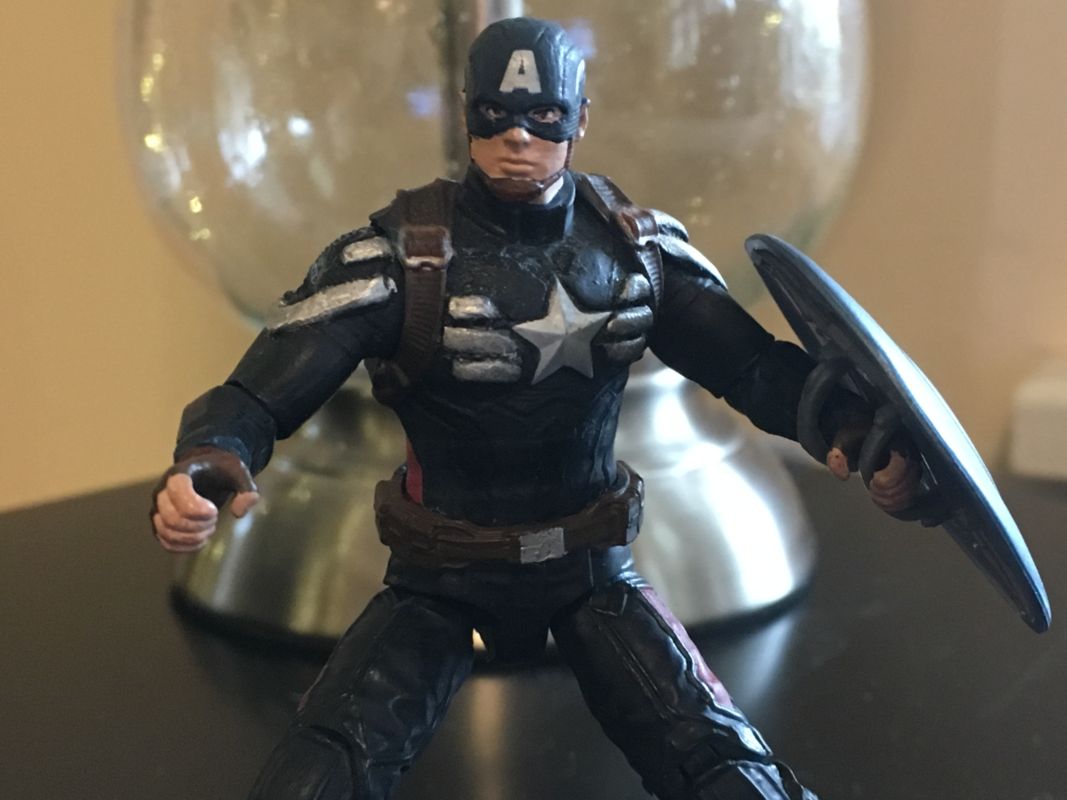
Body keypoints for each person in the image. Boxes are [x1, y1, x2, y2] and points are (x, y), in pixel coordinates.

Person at [151, 17, 913, 800]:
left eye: (543, 115)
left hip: (590, 569)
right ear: (465, 114)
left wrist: (859, 434)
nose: (518, 137)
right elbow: (264, 388)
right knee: (325, 767)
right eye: (496, 115)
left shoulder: (635, 252)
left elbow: (751, 368)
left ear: (579, 118)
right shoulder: (400, 258)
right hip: (438, 576)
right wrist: (211, 457)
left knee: (720, 763)